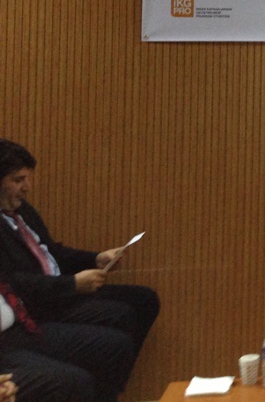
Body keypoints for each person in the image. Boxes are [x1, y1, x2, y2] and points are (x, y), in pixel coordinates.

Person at [0, 140, 159, 388]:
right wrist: (72, 284)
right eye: (18, 180)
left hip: (60, 287)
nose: (27, 187)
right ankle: (102, 388)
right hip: (40, 302)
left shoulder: (22, 209)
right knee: (118, 324)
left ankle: (106, 385)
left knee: (145, 299)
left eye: (28, 178)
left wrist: (95, 258)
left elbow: (52, 252)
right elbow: (15, 282)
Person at [0, 275, 135, 402]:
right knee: (73, 382)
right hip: (8, 340)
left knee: (114, 344)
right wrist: (71, 283)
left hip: (18, 326)